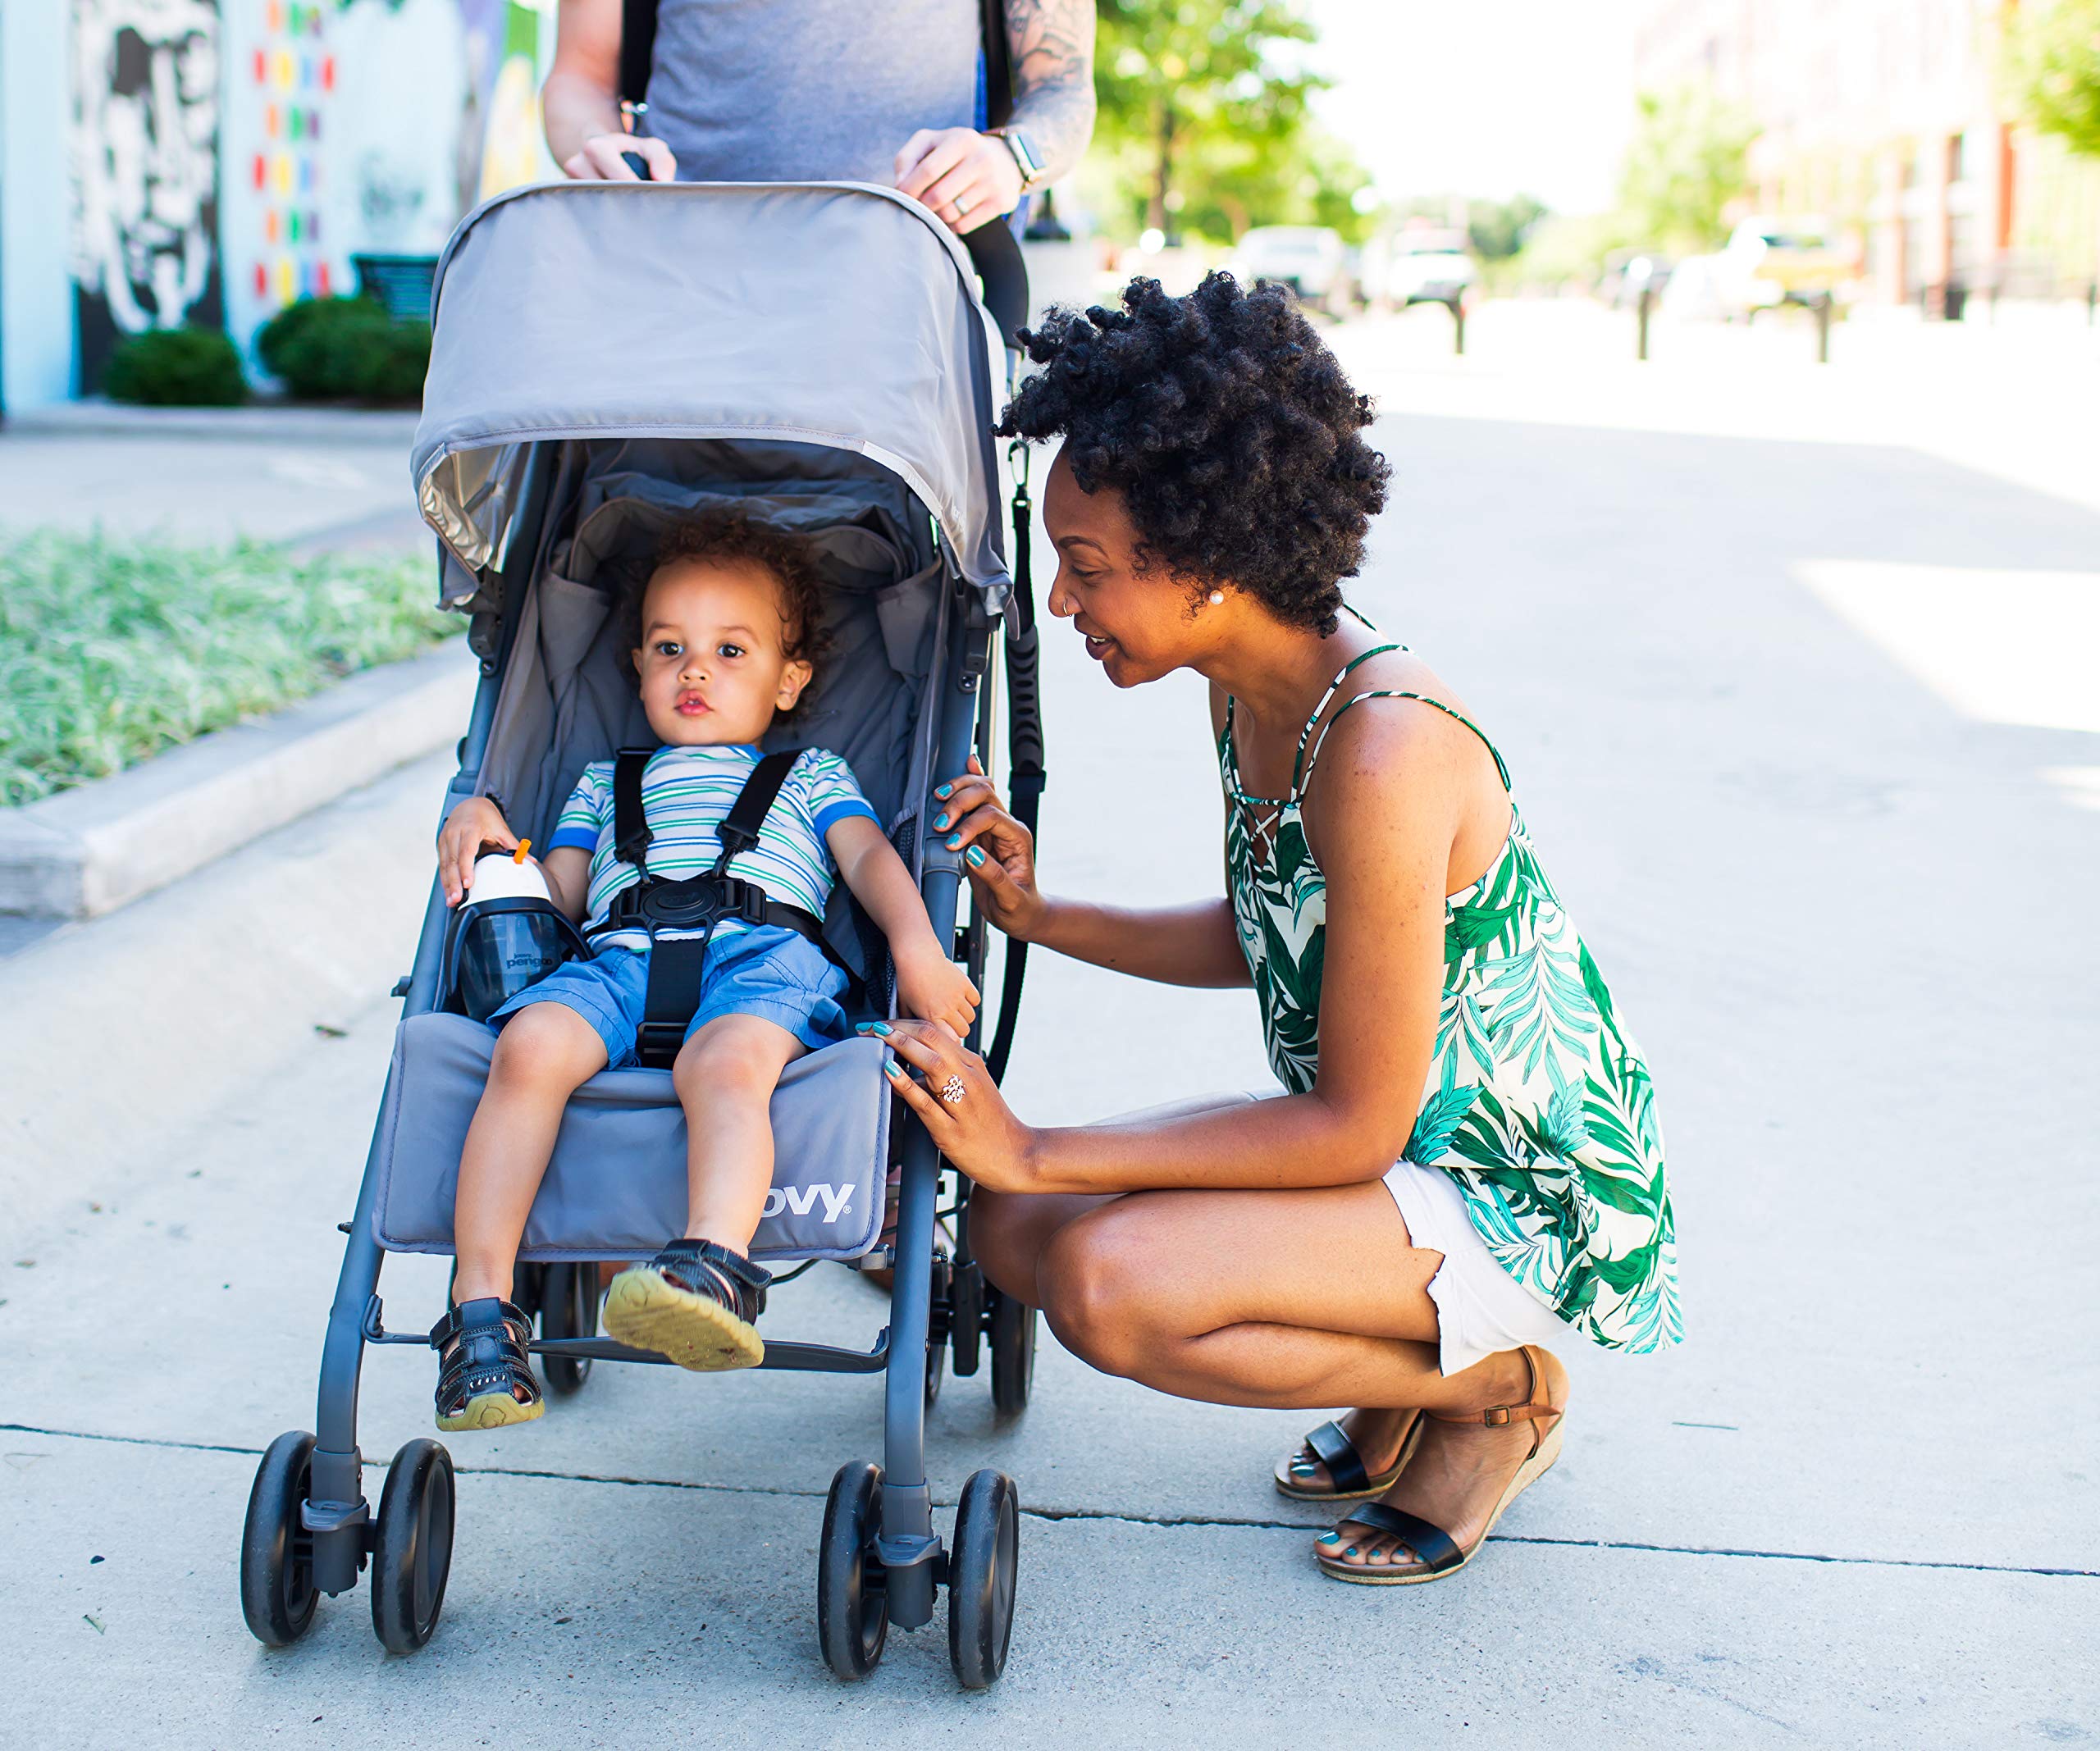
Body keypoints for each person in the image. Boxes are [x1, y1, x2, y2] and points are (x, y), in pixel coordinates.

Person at [865, 275, 1681, 1585]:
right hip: (1394, 1156)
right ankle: (1403, 1366)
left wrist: (1036, 1139)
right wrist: (1041, 912)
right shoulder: (1249, 685)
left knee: (1109, 1283)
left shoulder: (1382, 746)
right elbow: (1270, 932)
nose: (1063, 607)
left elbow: (1354, 1119)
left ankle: (1497, 1389)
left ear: (1214, 562)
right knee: (1012, 1232)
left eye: (1087, 570)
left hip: (1509, 1188)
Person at [429, 510, 978, 1432]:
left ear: (788, 677)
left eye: (731, 650)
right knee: (527, 1043)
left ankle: (712, 1266)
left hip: (765, 960)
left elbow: (872, 862)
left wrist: (919, 945)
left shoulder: (810, 774)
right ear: (637, 666)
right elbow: (557, 895)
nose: (695, 669)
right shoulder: (605, 782)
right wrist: (488, 830)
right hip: (613, 957)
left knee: (722, 1064)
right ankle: (482, 1315)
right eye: (669, 646)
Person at [540, 0, 1096, 238]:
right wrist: (596, 144)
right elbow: (580, 77)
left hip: (904, 303)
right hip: (671, 282)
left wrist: (1011, 159)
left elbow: (1064, 90)